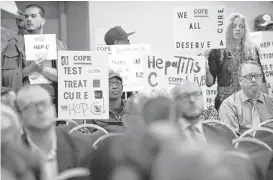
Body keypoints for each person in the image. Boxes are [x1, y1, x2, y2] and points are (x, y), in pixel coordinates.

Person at [2, 4, 67, 118]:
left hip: (52, 102)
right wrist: (29, 69)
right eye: (26, 17)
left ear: (43, 21)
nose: (29, 20)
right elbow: (6, 77)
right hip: (23, 102)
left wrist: (41, 68)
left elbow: (67, 77)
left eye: (33, 16)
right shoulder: (13, 45)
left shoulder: (57, 45)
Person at [15, 85, 92, 180]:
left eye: (44, 103)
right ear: (19, 116)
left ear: (54, 108)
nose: (40, 109)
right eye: (31, 106)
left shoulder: (81, 147)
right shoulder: (11, 154)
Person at [206, 13, 268, 111]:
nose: (238, 29)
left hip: (250, 102)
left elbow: (261, 78)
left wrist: (267, 105)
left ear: (245, 30)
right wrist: (205, 65)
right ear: (228, 29)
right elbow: (209, 83)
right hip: (225, 103)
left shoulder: (252, 50)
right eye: (234, 26)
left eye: (241, 26)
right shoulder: (217, 51)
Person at [171, 81, 233, 149]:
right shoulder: (164, 137)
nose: (192, 100)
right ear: (174, 102)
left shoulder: (221, 134)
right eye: (184, 96)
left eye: (196, 94)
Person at [219, 61, 273, 135]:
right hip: (242, 146)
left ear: (261, 78)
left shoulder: (271, 102)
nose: (254, 80)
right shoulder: (229, 106)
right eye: (249, 76)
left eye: (257, 76)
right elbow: (231, 140)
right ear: (240, 81)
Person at [104, 26, 136, 99]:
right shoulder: (105, 65)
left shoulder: (130, 61)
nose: (129, 44)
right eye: (127, 41)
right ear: (117, 43)